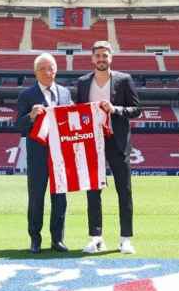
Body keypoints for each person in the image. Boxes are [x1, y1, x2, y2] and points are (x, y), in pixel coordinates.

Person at [76, 41, 141, 254]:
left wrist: (116, 109)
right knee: (93, 191)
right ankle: (96, 238)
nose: (101, 59)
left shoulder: (124, 80)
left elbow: (136, 109)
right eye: (98, 56)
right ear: (92, 58)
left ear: (110, 57)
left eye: (105, 55)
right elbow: (78, 111)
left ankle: (125, 239)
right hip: (92, 142)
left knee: (124, 190)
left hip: (117, 141)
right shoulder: (83, 82)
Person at [17, 53, 71, 254]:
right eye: (43, 69)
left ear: (56, 70)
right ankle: (35, 239)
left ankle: (58, 239)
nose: (48, 72)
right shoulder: (27, 95)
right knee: (36, 197)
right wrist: (31, 115)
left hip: (61, 155)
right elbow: (17, 125)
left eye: (51, 68)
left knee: (60, 198)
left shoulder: (65, 93)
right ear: (35, 72)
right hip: (38, 155)